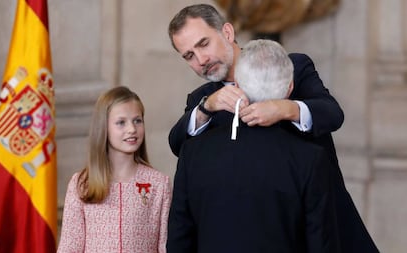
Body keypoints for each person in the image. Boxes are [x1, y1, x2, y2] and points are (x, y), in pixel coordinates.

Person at [167, 4, 379, 252]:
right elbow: (177, 143)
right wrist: (206, 107)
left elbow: (332, 114)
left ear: (226, 32)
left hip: (322, 229)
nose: (201, 60)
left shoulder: (293, 67)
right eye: (189, 56)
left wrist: (284, 108)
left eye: (203, 44)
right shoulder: (202, 99)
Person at [167, 39, 340, 253]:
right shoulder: (310, 159)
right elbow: (321, 243)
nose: (201, 58)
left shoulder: (192, 153)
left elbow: (178, 239)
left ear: (237, 86)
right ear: (290, 89)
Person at [57, 86, 171, 253]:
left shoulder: (158, 184)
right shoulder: (81, 184)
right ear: (104, 128)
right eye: (121, 122)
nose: (132, 129)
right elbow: (70, 247)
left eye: (137, 120)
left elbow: (165, 246)